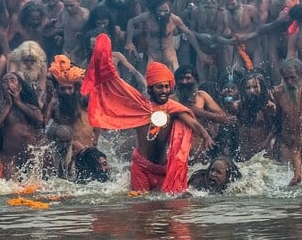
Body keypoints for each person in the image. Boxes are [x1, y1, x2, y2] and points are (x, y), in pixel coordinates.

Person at [81, 33, 215, 193]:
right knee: (141, 208)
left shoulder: (173, 108)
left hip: (164, 169)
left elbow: (193, 124)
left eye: (166, 86)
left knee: (170, 209)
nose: (164, 90)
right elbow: (118, 86)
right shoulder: (139, 106)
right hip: (141, 168)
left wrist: (206, 136)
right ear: (151, 88)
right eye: (159, 87)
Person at [125, 0, 208, 71]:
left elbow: (189, 34)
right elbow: (131, 22)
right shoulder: (147, 17)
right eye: (159, 11)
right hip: (153, 58)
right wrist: (129, 42)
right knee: (150, 83)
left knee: (175, 82)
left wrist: (200, 52)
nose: (162, 14)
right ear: (154, 9)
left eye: (165, 11)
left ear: (169, 8)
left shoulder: (174, 19)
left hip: (170, 59)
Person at [171, 65, 233, 163]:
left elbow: (223, 118)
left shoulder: (202, 96)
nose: (184, 82)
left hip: (202, 149)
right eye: (181, 79)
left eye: (188, 78)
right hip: (179, 151)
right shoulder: (173, 100)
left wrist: (199, 112)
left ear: (196, 79)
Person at [0, 73, 44, 179]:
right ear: (2, 87)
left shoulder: (30, 104)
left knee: (35, 188)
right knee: (11, 189)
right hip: (10, 156)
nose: (8, 83)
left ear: (20, 86)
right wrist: (8, 105)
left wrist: (18, 103)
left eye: (13, 80)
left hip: (31, 154)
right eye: (5, 81)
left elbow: (39, 119)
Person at [46, 55, 98, 154]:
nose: (67, 92)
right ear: (57, 88)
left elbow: (97, 120)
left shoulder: (85, 101)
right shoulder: (54, 104)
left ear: (75, 88)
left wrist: (95, 141)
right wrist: (49, 103)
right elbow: (42, 125)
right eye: (63, 89)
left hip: (86, 152)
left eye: (70, 88)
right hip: (63, 153)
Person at [272, 58, 302, 161]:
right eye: (286, 78)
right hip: (286, 143)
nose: (289, 82)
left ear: (300, 76)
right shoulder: (277, 93)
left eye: (293, 77)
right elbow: (275, 120)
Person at [233, 73, 277, 161]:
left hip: (263, 157)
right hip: (244, 156)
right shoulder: (239, 106)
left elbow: (276, 127)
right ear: (243, 90)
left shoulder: (268, 106)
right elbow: (229, 111)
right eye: (248, 88)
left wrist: (265, 143)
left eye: (255, 87)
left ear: (261, 88)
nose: (252, 91)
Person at [8, 41, 47, 107]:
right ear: (21, 58)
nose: (29, 63)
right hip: (18, 92)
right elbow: (11, 79)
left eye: (32, 61)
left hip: (35, 93)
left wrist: (39, 100)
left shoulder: (42, 64)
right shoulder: (14, 59)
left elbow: (42, 84)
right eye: (26, 60)